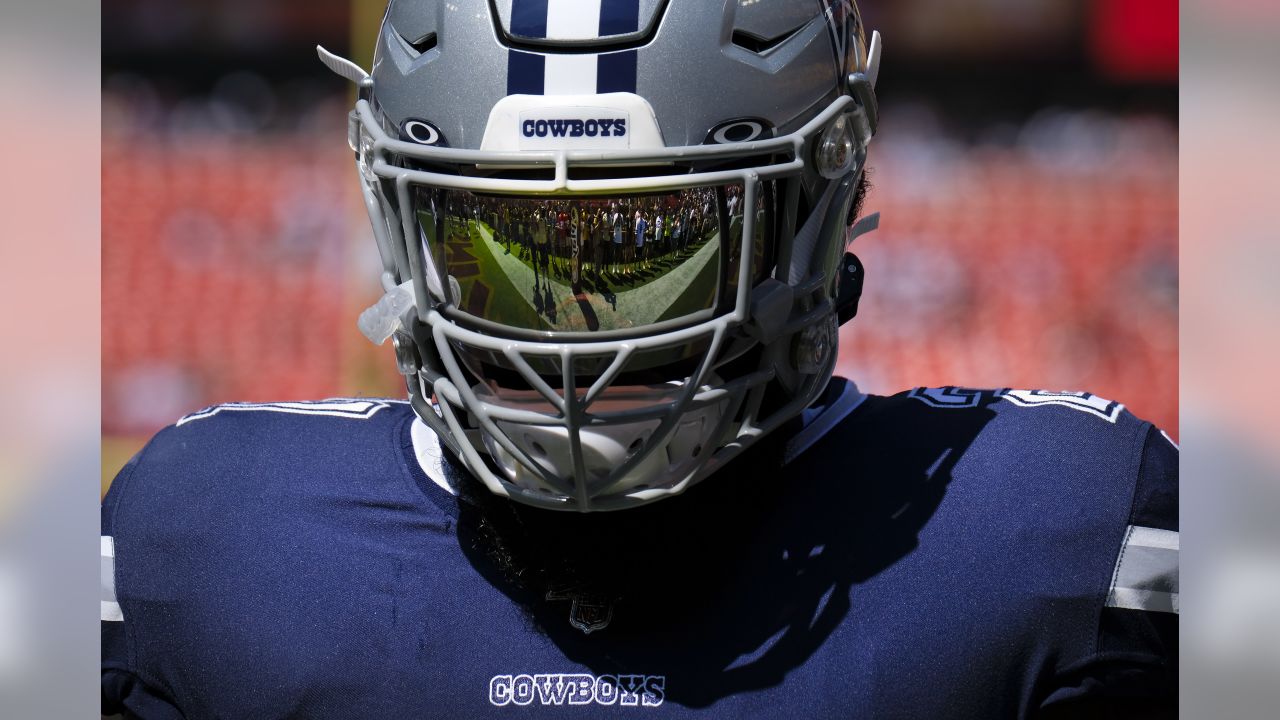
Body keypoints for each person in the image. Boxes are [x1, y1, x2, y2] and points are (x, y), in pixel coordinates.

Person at [102, 2, 1177, 718]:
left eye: (647, 237)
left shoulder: (1054, 535)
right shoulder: (202, 547)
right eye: (512, 242)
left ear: (809, 219)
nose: (577, 330)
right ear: (406, 229)